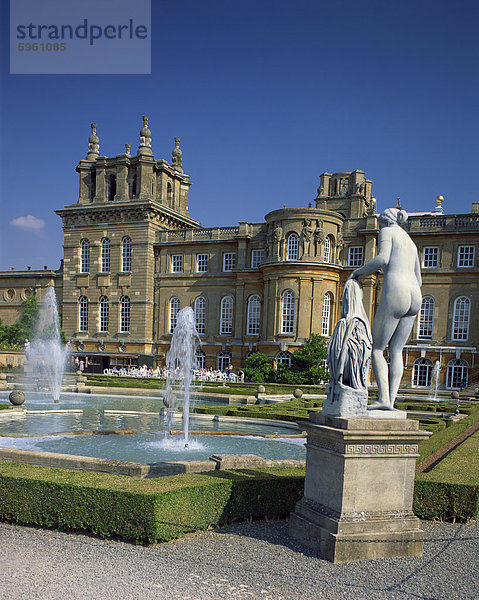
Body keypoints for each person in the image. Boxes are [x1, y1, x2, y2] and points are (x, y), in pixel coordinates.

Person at [349, 207, 422, 410]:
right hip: (415, 295)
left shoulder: (388, 231)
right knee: (397, 349)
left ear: (384, 221)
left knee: (378, 348)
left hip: (396, 291)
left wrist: (357, 272)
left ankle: (383, 400)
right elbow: (419, 278)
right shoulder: (411, 242)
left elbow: (382, 259)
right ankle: (391, 400)